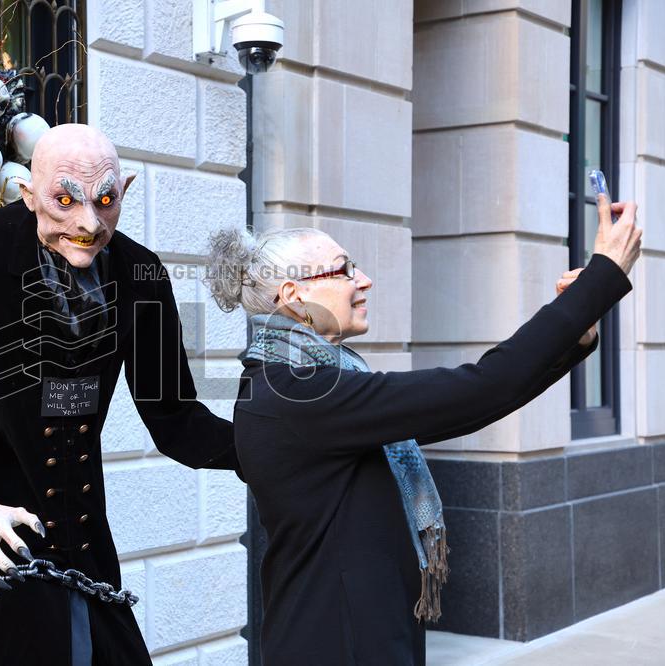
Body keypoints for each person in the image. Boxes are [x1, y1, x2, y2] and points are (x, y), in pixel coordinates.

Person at [204, 195, 642, 665]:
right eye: (343, 269)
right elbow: (483, 387)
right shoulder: (299, 393)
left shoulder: (307, 380)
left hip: (360, 632)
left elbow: (484, 394)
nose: (365, 279)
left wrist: (576, 330)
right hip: (337, 644)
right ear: (294, 297)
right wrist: (600, 277)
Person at [0, 124, 240, 665]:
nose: (88, 223)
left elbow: (174, 415)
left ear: (123, 191)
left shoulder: (140, 274)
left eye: (105, 201)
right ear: (27, 194)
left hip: (84, 544)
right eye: (65, 201)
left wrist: (272, 448)